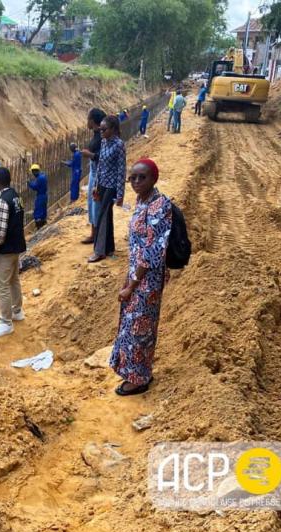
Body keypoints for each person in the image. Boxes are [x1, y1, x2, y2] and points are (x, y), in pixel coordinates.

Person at [109, 158, 172, 395]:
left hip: (147, 279)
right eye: (132, 178)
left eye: (141, 177)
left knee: (139, 327)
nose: (136, 182)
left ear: (153, 178)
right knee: (132, 323)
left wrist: (131, 286)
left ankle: (139, 379)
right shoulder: (142, 200)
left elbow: (151, 251)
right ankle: (134, 371)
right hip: (136, 274)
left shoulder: (159, 206)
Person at [0, 167, 27, 338]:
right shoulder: (16, 196)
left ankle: (6, 322)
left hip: (6, 249)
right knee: (13, 280)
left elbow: (0, 231)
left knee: (2, 285)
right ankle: (17, 311)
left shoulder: (3, 201)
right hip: (16, 245)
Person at [88, 115, 126, 263]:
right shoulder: (104, 142)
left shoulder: (119, 145)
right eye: (100, 129)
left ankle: (99, 251)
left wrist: (120, 194)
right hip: (102, 184)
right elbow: (101, 166)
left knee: (101, 216)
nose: (101, 131)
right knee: (106, 215)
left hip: (111, 186)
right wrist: (96, 186)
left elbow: (121, 170)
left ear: (113, 129)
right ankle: (109, 248)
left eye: (104, 129)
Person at [80, 108, 106, 244]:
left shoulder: (102, 136)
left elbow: (103, 156)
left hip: (98, 173)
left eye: (88, 119)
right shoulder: (97, 134)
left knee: (96, 203)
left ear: (92, 121)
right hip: (93, 171)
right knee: (91, 203)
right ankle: (94, 233)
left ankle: (97, 235)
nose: (86, 121)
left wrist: (89, 154)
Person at [27, 163, 48, 229]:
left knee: (38, 211)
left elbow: (35, 187)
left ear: (35, 171)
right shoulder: (43, 176)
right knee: (43, 210)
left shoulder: (40, 178)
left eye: (33, 172)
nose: (32, 174)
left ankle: (39, 226)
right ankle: (43, 223)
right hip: (44, 195)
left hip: (40, 196)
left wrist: (29, 183)